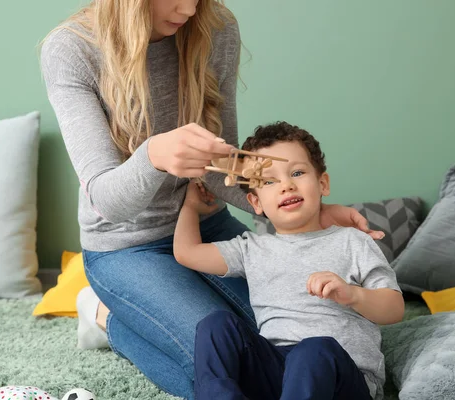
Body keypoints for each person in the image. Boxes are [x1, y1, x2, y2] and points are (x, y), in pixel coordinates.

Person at [40, 1, 384, 398]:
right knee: (216, 374)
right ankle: (105, 317)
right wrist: (154, 156)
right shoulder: (71, 50)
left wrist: (312, 210)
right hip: (125, 247)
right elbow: (108, 201)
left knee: (290, 345)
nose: (188, 8)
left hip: (209, 226)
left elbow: (224, 165)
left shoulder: (213, 28)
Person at [173, 122, 405, 400]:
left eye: (297, 172)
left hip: (342, 376)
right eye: (269, 181)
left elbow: (394, 309)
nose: (286, 185)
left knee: (313, 351)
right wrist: (190, 206)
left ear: (323, 184)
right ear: (255, 203)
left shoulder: (353, 241)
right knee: (216, 326)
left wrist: (352, 294)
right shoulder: (252, 249)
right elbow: (187, 252)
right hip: (277, 376)